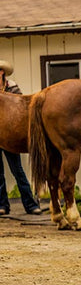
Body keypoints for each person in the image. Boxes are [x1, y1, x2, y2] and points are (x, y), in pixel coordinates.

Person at [0, 60, 42, 216]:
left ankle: (30, 204)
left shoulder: (12, 87)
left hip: (9, 134)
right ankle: (2, 204)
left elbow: (19, 107)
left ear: (1, 72)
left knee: (17, 170)